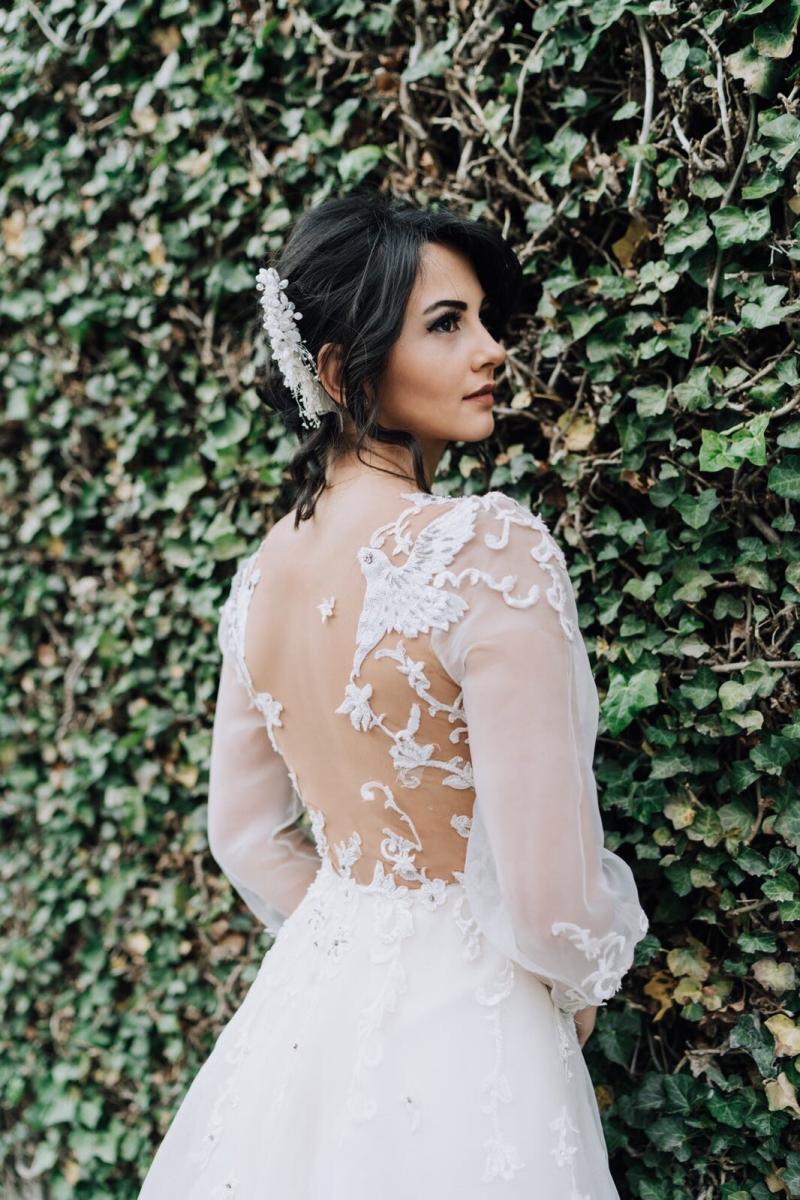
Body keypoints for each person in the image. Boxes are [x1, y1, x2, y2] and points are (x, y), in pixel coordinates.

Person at [137, 190, 649, 1198]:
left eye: (485, 321)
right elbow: (548, 902)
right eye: (446, 325)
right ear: (341, 372)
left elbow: (242, 833)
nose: (491, 351)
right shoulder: (485, 549)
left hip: (309, 1017)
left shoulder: (258, 580)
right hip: (474, 1020)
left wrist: (363, 942)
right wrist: (574, 989)